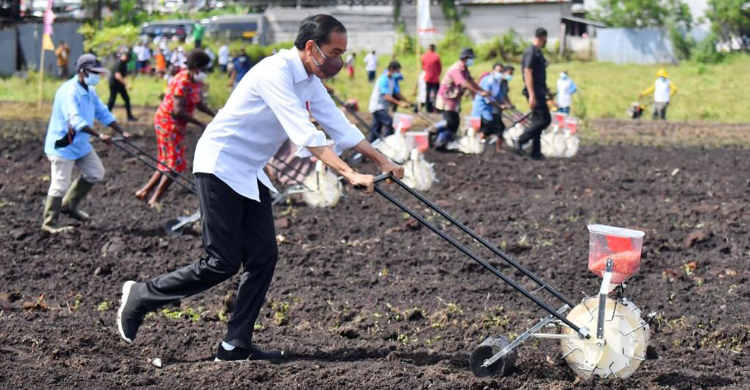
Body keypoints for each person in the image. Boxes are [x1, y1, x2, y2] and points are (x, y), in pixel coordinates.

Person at [117, 14, 404, 362]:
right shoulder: (275, 72)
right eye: (335, 51)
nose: (339, 60)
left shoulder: (309, 80)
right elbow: (306, 135)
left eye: (343, 52)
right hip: (219, 164)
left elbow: (339, 126)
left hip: (250, 170)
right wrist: (348, 172)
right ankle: (143, 295)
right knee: (221, 261)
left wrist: (382, 161)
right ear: (311, 47)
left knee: (263, 256)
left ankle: (235, 344)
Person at [42, 54, 128, 233]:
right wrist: (99, 136)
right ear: (82, 72)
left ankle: (69, 205)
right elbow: (75, 121)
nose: (97, 76)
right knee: (60, 183)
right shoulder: (69, 92)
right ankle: (49, 223)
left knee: (96, 172)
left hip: (80, 144)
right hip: (63, 145)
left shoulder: (89, 90)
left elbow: (103, 112)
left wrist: (121, 131)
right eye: (94, 72)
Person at [135, 50, 216, 207]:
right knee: (176, 164)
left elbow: (197, 102)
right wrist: (200, 124)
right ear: (196, 68)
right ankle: (155, 198)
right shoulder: (182, 81)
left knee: (167, 161)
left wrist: (214, 114)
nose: (206, 73)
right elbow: (177, 110)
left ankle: (144, 192)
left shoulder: (194, 81)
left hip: (176, 124)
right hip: (167, 122)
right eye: (205, 70)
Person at [434, 47, 489, 150]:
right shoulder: (456, 69)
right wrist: (477, 92)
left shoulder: (464, 69)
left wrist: (482, 91)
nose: (472, 61)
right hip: (446, 98)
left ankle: (446, 142)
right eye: (471, 58)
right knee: (450, 121)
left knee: (455, 122)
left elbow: (471, 81)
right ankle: (435, 132)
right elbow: (463, 83)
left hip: (454, 99)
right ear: (466, 58)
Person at [515, 28, 551, 160]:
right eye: (545, 39)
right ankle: (521, 140)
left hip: (539, 90)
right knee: (545, 119)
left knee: (537, 121)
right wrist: (532, 94)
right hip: (534, 91)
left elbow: (539, 75)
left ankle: (536, 152)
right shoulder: (531, 52)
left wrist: (546, 90)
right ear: (542, 37)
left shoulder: (537, 53)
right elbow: (528, 72)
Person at [368, 60, 412, 143]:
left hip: (383, 108)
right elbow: (386, 96)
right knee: (390, 123)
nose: (398, 73)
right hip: (377, 107)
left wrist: (407, 101)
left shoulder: (392, 79)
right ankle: (386, 143)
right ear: (392, 69)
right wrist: (400, 103)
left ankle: (369, 149)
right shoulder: (383, 79)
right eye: (397, 71)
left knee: (375, 131)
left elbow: (397, 93)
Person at [471, 63, 510, 152]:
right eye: (499, 71)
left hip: (491, 108)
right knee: (488, 125)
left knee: (499, 127)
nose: (500, 73)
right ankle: (478, 145)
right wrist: (499, 105)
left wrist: (505, 104)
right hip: (483, 108)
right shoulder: (487, 81)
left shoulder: (497, 82)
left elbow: (499, 95)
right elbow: (487, 97)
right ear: (493, 71)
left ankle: (497, 148)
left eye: (501, 71)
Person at [107, 49, 137, 122]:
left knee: (126, 99)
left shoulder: (124, 64)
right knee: (112, 100)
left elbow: (123, 74)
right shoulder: (119, 63)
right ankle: (106, 116)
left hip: (120, 84)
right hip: (114, 84)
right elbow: (117, 75)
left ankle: (129, 116)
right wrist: (126, 84)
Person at [421, 44, 441, 113]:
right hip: (435, 78)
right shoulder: (436, 56)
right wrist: (437, 74)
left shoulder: (423, 56)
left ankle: (427, 108)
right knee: (436, 94)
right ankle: (436, 108)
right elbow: (439, 67)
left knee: (427, 93)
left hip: (427, 78)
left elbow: (423, 66)